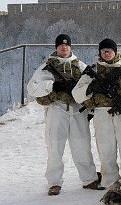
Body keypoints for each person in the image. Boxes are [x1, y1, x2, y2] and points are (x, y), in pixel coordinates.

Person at [72, 38, 121, 200]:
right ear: (100, 53)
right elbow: (76, 94)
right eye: (103, 51)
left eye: (110, 50)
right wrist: (91, 87)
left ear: (115, 51)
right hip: (102, 113)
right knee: (106, 150)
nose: (107, 53)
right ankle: (110, 182)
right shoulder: (93, 70)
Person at [27, 34, 102, 196]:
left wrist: (90, 110)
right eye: (61, 45)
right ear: (56, 47)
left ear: (71, 47)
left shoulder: (79, 65)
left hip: (77, 110)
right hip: (57, 109)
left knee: (82, 146)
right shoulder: (47, 66)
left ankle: (89, 179)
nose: (64, 47)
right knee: (55, 147)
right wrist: (53, 85)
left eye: (66, 45)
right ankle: (54, 182)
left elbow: (90, 86)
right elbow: (32, 88)